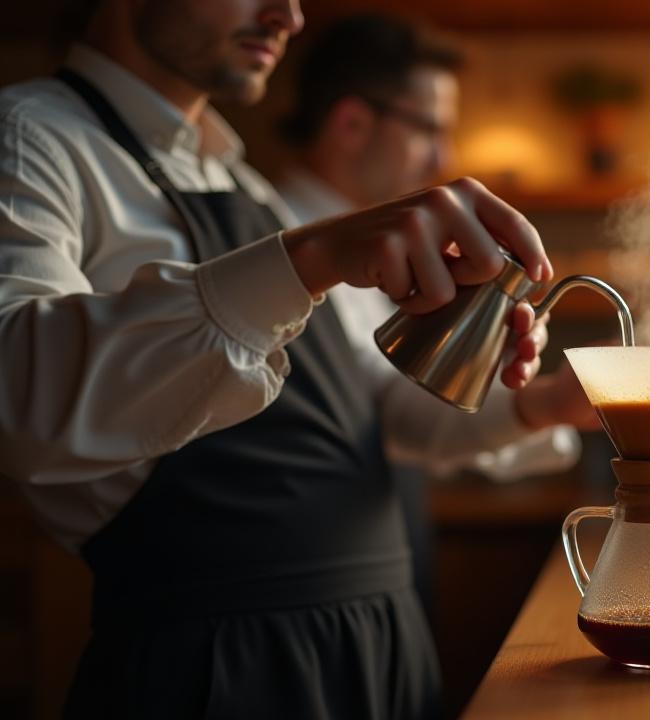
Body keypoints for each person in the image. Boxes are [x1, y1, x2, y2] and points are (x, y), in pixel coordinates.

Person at [0, 1, 594, 717]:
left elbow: (368, 412)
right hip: (221, 668)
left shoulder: (245, 187)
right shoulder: (29, 138)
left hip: (380, 645)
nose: (288, 14)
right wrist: (312, 256)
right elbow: (15, 401)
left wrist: (550, 402)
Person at [274, 14, 587, 607]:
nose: (443, 155)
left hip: (377, 572)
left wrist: (550, 402)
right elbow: (389, 417)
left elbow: (391, 407)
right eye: (429, 129)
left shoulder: (370, 253)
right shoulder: (271, 247)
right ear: (351, 123)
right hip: (298, 599)